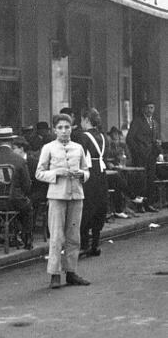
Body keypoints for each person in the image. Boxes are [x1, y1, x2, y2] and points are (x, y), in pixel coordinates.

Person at [36, 113, 91, 289]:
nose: (64, 131)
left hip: (76, 195)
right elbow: (39, 173)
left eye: (67, 127)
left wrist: (82, 175)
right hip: (57, 196)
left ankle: (71, 272)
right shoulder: (48, 148)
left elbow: (86, 170)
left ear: (72, 128)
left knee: (74, 236)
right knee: (57, 236)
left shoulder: (78, 148)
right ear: (54, 130)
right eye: (60, 128)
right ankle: (54, 273)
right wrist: (56, 173)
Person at [0, 128, 34, 250]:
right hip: (12, 202)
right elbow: (27, 187)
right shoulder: (19, 160)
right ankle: (26, 239)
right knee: (27, 207)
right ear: (11, 142)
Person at [75, 108, 108, 256]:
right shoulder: (102, 136)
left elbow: (80, 156)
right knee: (99, 207)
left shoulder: (84, 137)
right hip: (101, 172)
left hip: (89, 173)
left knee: (87, 207)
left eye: (82, 120)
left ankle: (84, 245)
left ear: (86, 120)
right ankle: (95, 244)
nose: (81, 123)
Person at [126, 100, 161, 212]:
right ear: (143, 109)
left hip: (151, 156)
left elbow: (155, 138)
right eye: (148, 107)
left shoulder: (155, 123)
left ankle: (148, 204)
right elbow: (129, 139)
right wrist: (138, 152)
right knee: (141, 181)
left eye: (152, 108)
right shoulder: (137, 121)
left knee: (150, 180)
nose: (150, 110)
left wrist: (157, 144)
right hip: (140, 157)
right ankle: (139, 205)